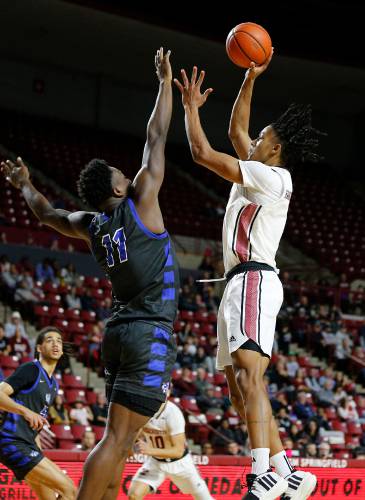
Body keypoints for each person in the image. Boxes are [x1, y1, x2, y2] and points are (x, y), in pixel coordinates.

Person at [1, 47, 179, 500]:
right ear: (120, 187)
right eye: (124, 173)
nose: (130, 174)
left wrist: (25, 185)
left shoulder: (89, 224)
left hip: (119, 333)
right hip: (146, 330)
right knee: (117, 440)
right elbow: (156, 136)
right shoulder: (140, 202)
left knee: (120, 441)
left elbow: (44, 213)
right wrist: (163, 82)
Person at [174, 53, 323, 499]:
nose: (251, 139)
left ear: (273, 149)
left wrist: (189, 109)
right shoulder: (259, 172)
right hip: (239, 283)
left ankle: (261, 475)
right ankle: (289, 473)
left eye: (262, 137)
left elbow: (202, 152)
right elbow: (237, 131)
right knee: (240, 389)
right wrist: (249, 78)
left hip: (254, 278)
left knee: (250, 377)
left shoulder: (273, 178)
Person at [0, 326, 76, 499]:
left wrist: (39, 454)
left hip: (26, 443)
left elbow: (36, 426)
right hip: (10, 440)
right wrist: (25, 411)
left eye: (59, 341)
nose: (56, 344)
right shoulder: (31, 370)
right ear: (39, 348)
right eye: (50, 340)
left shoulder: (54, 385)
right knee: (69, 489)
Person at [128, 397, 213, 499]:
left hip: (180, 463)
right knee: (134, 495)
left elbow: (178, 451)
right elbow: (135, 432)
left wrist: (149, 450)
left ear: (167, 392)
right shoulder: (141, 409)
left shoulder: (172, 413)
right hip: (156, 462)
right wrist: (130, 445)